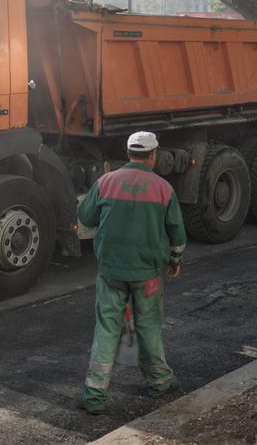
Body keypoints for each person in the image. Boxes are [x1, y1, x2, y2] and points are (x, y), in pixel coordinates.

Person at [78, 131, 187, 415]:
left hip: (111, 271)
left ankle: (94, 396)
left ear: (129, 154)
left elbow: (86, 217)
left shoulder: (105, 182)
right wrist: (174, 260)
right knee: (148, 326)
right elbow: (177, 232)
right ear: (153, 156)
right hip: (148, 274)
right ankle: (160, 382)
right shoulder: (163, 189)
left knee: (106, 330)